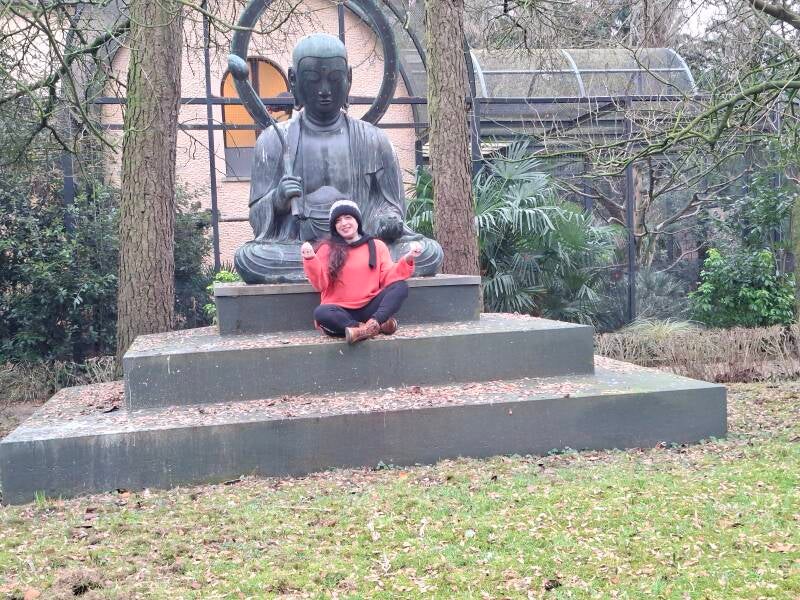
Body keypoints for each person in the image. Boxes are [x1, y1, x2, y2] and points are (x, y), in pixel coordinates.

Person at [234, 33, 442, 283]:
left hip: (362, 245)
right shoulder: (273, 140)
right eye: (313, 80)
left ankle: (339, 269)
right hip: (303, 247)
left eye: (334, 79)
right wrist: (277, 199)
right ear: (294, 80)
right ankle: (350, 270)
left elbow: (390, 206)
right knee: (250, 258)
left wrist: (387, 220)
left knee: (427, 253)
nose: (324, 90)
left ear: (349, 79)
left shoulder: (374, 140)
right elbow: (257, 219)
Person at [302, 199, 422, 343]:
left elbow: (389, 276)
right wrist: (310, 259)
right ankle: (365, 328)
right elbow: (320, 285)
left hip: (370, 307)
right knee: (321, 313)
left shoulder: (377, 246)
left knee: (400, 286)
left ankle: (374, 323)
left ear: (357, 220)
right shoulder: (326, 249)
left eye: (348, 217)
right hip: (340, 311)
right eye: (338, 221)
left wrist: (408, 258)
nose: (344, 223)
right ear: (334, 226)